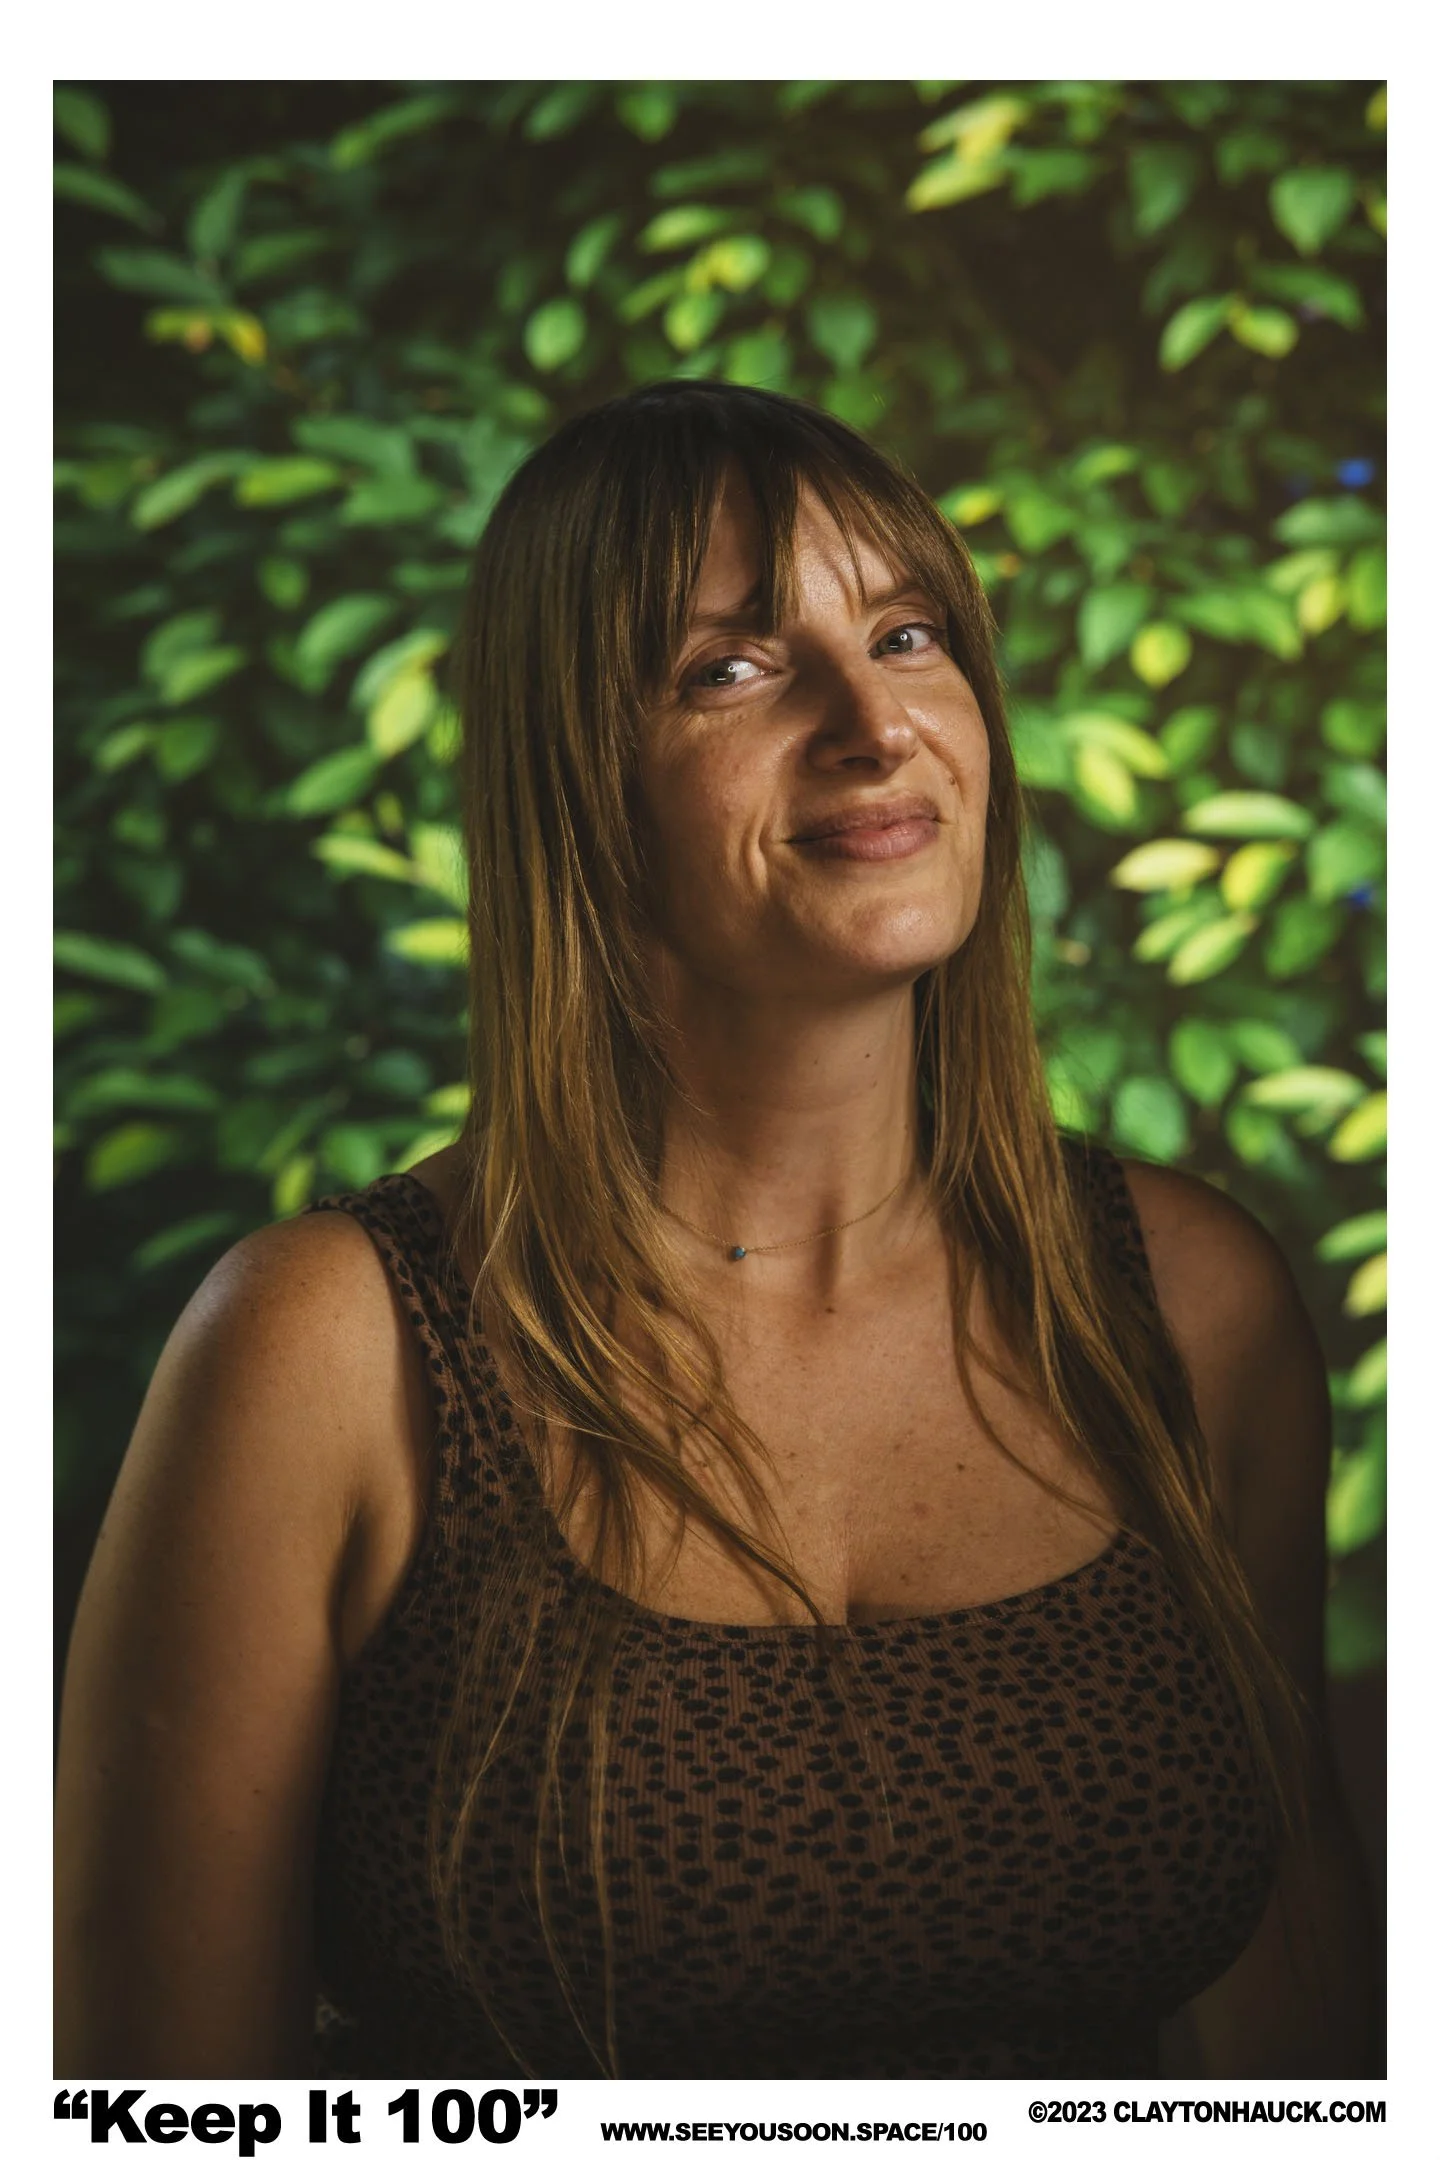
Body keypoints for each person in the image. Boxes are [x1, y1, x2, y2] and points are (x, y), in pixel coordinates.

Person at [55, 381, 1377, 2080]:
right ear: (574, 777)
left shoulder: (1188, 1308)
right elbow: (156, 2097)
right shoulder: (325, 1346)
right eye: (732, 669)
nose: (875, 725)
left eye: (907, 636)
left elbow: (1294, 1974)